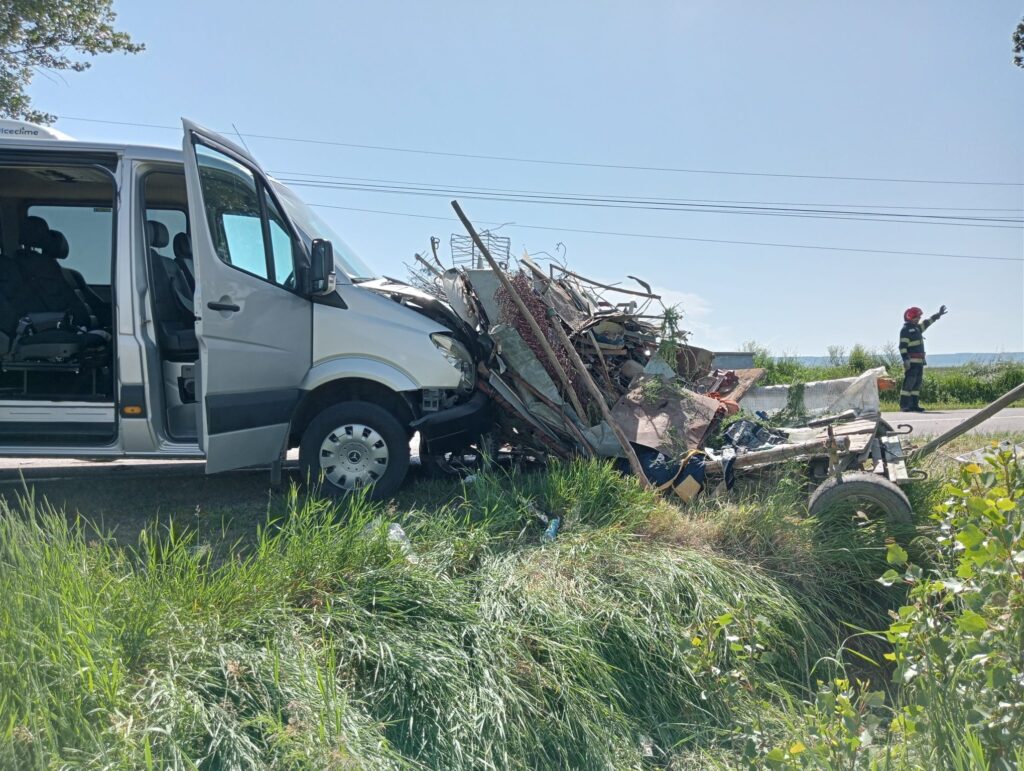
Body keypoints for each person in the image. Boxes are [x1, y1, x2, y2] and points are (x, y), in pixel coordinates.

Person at [899, 305, 947, 412]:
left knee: (917, 384)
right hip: (911, 363)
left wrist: (938, 315)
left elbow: (927, 323)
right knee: (909, 384)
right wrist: (905, 360)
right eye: (917, 317)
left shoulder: (917, 328)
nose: (919, 319)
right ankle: (904, 405)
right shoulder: (906, 330)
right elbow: (902, 347)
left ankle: (914, 405)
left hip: (919, 362)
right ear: (910, 317)